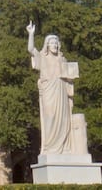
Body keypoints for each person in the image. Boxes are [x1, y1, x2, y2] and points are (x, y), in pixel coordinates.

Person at [27, 21, 77, 154]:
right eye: (51, 43)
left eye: (56, 43)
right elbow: (31, 50)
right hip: (49, 92)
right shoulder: (42, 57)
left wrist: (71, 76)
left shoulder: (62, 59)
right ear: (47, 45)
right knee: (50, 118)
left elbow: (68, 74)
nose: (54, 45)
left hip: (61, 91)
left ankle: (64, 147)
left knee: (64, 119)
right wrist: (31, 34)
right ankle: (50, 147)